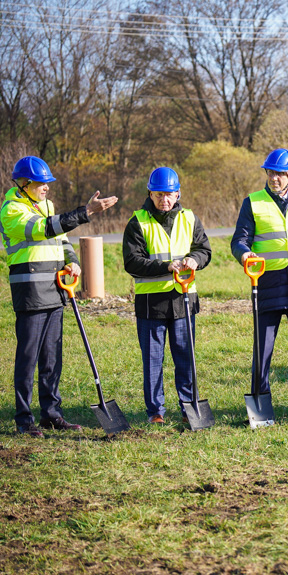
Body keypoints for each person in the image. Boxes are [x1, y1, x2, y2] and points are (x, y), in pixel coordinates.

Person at [2, 156, 118, 437]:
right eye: (42, 184)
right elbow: (44, 229)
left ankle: (51, 413)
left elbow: (61, 239)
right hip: (30, 292)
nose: (46, 189)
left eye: (47, 184)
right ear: (24, 183)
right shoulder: (11, 209)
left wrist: (72, 260)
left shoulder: (46, 205)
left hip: (55, 290)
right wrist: (85, 212)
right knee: (28, 358)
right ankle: (23, 419)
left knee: (52, 357)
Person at [231, 148, 288, 410]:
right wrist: (245, 254)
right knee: (263, 351)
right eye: (271, 173)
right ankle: (261, 400)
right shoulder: (253, 202)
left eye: (280, 174)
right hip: (267, 283)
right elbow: (239, 240)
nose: (274, 178)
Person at [123, 167, 212, 424]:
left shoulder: (190, 218)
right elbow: (132, 262)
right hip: (152, 303)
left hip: (184, 300)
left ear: (178, 193)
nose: (165, 200)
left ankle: (189, 406)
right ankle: (156, 412)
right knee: (153, 360)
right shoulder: (137, 222)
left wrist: (195, 260)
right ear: (150, 193)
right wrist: (166, 266)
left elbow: (204, 250)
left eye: (170, 195)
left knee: (186, 357)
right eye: (159, 194)